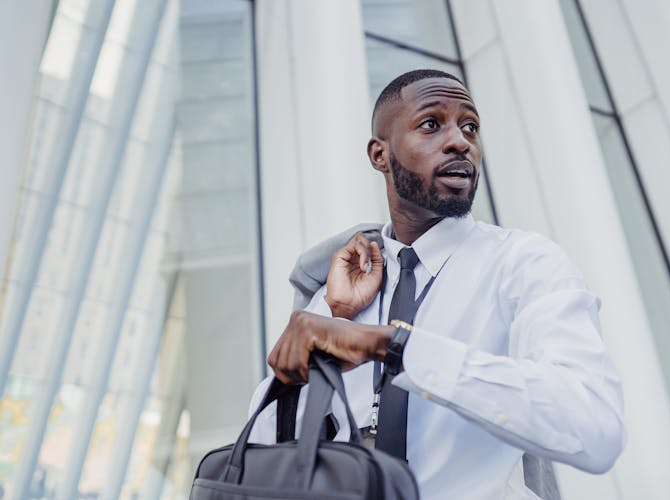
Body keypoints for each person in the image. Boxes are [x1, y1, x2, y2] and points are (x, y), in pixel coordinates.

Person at [248, 69, 625, 499]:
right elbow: (269, 442)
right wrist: (337, 326)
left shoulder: (524, 264)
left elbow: (594, 427)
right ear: (380, 155)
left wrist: (391, 345)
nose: (460, 141)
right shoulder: (342, 289)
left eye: (470, 127)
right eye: (431, 124)